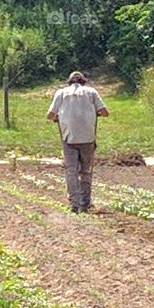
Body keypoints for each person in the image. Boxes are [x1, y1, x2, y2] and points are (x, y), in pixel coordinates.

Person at [46, 71, 109, 213]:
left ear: (69, 82)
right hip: (88, 138)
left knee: (71, 171)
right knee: (86, 171)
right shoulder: (91, 92)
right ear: (83, 81)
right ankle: (85, 203)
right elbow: (105, 112)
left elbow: (50, 115)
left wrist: (57, 118)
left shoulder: (61, 93)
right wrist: (96, 113)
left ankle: (74, 203)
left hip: (69, 138)